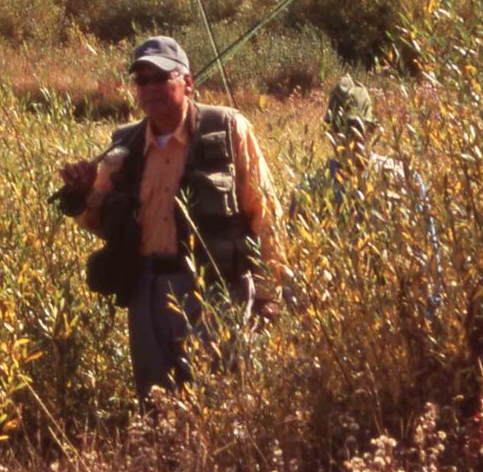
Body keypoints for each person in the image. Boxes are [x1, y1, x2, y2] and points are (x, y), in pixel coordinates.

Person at [55, 35, 283, 399]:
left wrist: (269, 295)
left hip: (217, 289)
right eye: (142, 80)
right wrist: (81, 194)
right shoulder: (123, 145)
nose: (150, 88)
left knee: (217, 399)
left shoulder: (228, 129)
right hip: (147, 291)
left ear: (187, 82)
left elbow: (265, 213)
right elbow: (98, 220)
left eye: (161, 77)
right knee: (156, 403)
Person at [292, 76, 442, 298]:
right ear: (330, 132)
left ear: (371, 131)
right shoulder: (308, 192)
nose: (349, 139)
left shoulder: (403, 180)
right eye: (342, 129)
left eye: (355, 129)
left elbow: (429, 264)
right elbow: (298, 276)